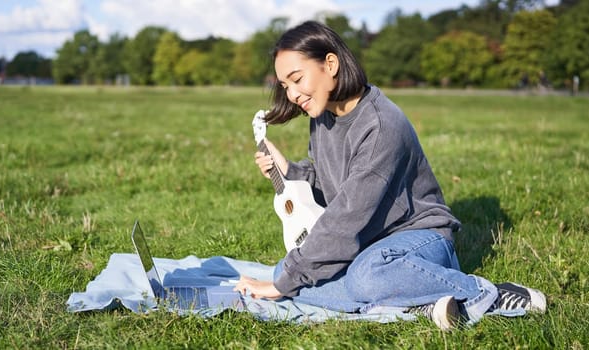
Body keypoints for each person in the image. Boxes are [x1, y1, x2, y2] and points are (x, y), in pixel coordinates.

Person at [233, 21, 546, 330]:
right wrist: (291, 171)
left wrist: (286, 281)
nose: (291, 94)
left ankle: (487, 294)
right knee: (290, 273)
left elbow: (345, 218)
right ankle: (419, 301)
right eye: (285, 86)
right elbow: (337, 181)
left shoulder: (381, 126)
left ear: (330, 64)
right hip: (370, 243)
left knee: (345, 277)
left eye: (297, 79)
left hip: (418, 242)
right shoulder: (324, 116)